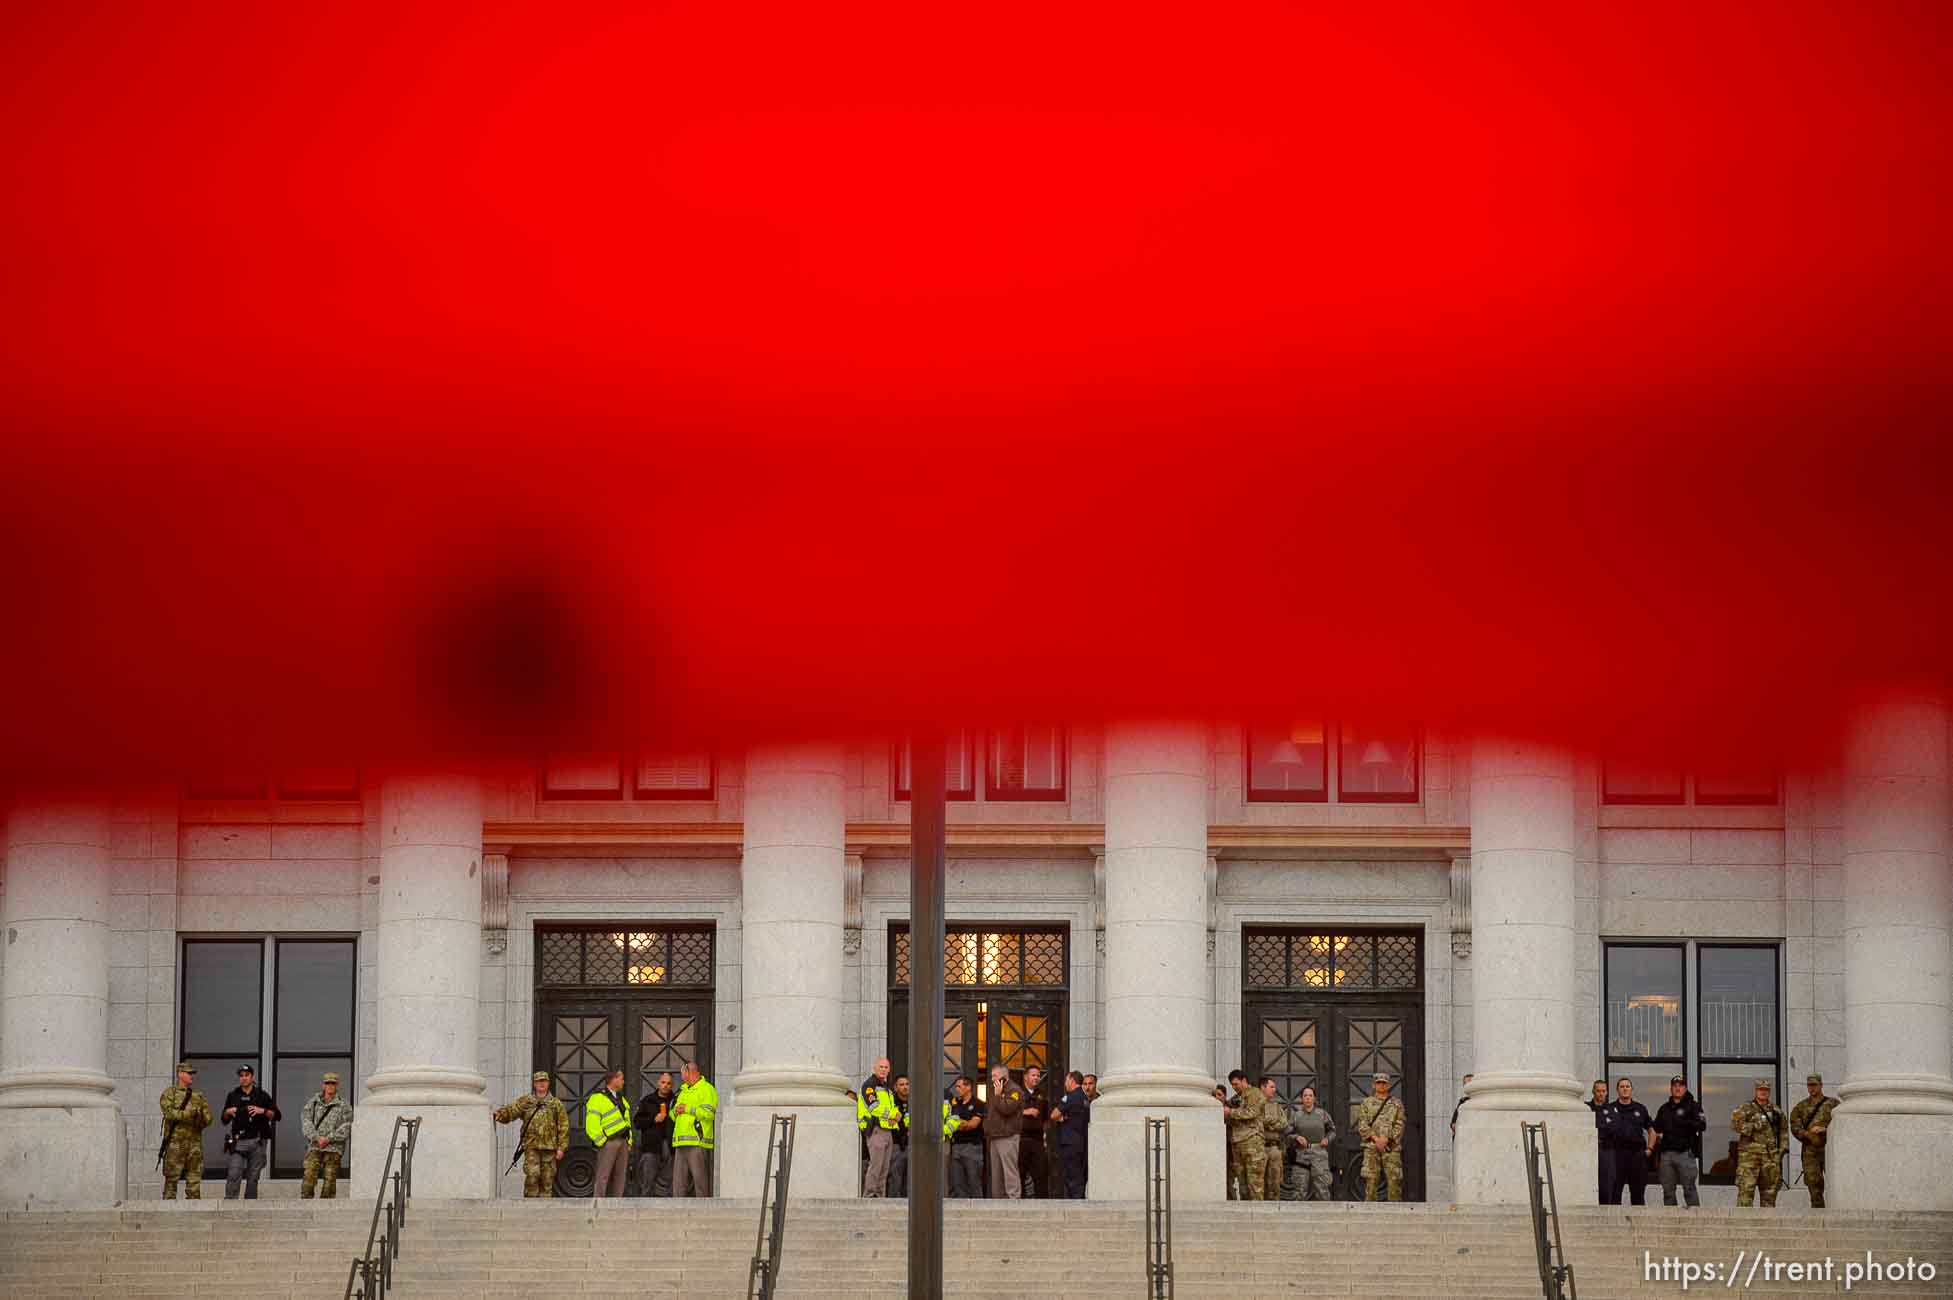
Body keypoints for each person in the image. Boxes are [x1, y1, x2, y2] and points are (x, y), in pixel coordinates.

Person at [494, 1070, 570, 1197]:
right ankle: (529, 1206)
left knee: (547, 1179)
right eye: (539, 1081)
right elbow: (512, 1111)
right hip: (531, 1146)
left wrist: (561, 1147)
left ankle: (545, 1209)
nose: (541, 1084)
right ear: (534, 1084)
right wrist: (499, 1115)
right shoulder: (527, 1101)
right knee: (532, 1176)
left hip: (549, 1147)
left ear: (548, 1083)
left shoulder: (555, 1104)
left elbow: (563, 1126)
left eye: (544, 1081)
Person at [220, 1064, 280, 1199]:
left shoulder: (262, 1095)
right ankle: (230, 1206)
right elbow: (224, 1120)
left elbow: (277, 1115)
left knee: (252, 1178)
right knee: (234, 1173)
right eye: (241, 1076)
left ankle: (249, 1207)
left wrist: (262, 1111)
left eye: (246, 1075)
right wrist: (228, 1111)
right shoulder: (233, 1095)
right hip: (238, 1141)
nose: (244, 1078)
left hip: (257, 1141)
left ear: (252, 1077)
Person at [158, 1062, 212, 1199]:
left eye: (192, 1073)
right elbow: (168, 1113)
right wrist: (188, 1114)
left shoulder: (198, 1096)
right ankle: (168, 1211)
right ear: (180, 1074)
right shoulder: (170, 1093)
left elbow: (209, 1118)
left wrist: (199, 1117)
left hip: (194, 1144)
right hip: (175, 1143)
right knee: (171, 1180)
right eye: (189, 1073)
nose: (191, 1076)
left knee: (194, 1180)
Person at [1651, 1074, 1706, 1208]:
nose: (1677, 1088)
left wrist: (1684, 1122)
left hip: (1685, 1154)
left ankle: (1695, 1220)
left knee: (1689, 1189)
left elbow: (1702, 1125)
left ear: (1685, 1088)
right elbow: (1656, 1127)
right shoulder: (1664, 1108)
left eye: (1680, 1086)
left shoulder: (1694, 1106)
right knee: (1668, 1191)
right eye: (1675, 1086)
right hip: (1666, 1155)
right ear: (1670, 1089)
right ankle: (1671, 1222)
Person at [1732, 1078, 1786, 1208]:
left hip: (1770, 1158)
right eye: (1760, 1089)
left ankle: (1768, 1226)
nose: (1763, 1092)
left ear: (1769, 1092)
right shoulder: (1745, 1108)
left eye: (1766, 1090)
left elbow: (1783, 1131)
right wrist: (1753, 1125)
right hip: (1749, 1158)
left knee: (1769, 1195)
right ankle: (1743, 1227)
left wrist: (1782, 1150)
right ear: (1756, 1091)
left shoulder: (1776, 1111)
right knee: (1746, 1193)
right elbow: (1735, 1125)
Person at [1600, 1077, 1655, 1205]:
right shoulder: (1609, 1109)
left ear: (1631, 1090)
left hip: (1637, 1155)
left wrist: (1650, 1149)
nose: (1625, 1089)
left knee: (1638, 1194)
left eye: (1627, 1086)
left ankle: (1639, 1223)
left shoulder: (1640, 1109)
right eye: (1622, 1087)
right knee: (1614, 1194)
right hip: (1616, 1155)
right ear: (1617, 1090)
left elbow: (1652, 1130)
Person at [1354, 1072, 1406, 1202]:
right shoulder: (1366, 1103)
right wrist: (1376, 1139)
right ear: (1373, 1085)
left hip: (1391, 1147)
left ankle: (1394, 1213)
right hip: (1371, 1146)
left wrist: (1387, 1139)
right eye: (1379, 1083)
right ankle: (1370, 1213)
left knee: (1394, 1180)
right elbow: (1362, 1124)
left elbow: (1400, 1124)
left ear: (1388, 1085)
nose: (1381, 1085)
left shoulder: (1396, 1104)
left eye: (1384, 1083)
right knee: (1371, 1180)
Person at [1789, 1073, 1839, 1208]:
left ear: (1821, 1085)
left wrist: (1825, 1128)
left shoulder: (1833, 1104)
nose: (1812, 1088)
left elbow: (1842, 1124)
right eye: (1809, 1085)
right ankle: (1818, 1211)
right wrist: (1807, 1134)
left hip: (1830, 1148)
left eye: (1815, 1085)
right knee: (1813, 1181)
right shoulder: (1800, 1107)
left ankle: (1838, 1210)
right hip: (1810, 1150)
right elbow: (1794, 1126)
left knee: (1837, 1180)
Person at [299, 1070, 351, 1199]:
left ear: (337, 1085)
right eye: (327, 1083)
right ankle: (306, 1207)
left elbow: (347, 1126)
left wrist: (329, 1138)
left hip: (333, 1148)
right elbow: (306, 1121)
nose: (330, 1086)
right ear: (323, 1085)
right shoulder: (313, 1103)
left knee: (329, 1182)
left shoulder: (344, 1105)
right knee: (308, 1179)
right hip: (315, 1146)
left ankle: (325, 1210)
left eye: (333, 1083)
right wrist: (317, 1138)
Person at [1280, 1085, 1335, 1202]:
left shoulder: (1322, 1114)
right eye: (1305, 1096)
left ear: (1314, 1098)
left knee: (1322, 1189)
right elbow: (1286, 1134)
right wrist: (1296, 1137)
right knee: (1299, 1190)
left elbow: (1332, 1130)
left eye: (1310, 1095)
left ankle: (1324, 1216)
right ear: (1301, 1099)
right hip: (1301, 1155)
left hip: (1319, 1153)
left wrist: (1327, 1139)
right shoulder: (1296, 1116)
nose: (1308, 1098)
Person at [583, 1067, 633, 1197]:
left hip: (623, 1141)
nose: (624, 1082)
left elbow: (627, 1123)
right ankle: (599, 1205)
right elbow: (591, 1123)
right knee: (603, 1175)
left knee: (620, 1176)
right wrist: (602, 1141)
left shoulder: (622, 1099)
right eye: (621, 1079)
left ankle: (616, 1204)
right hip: (608, 1142)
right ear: (613, 1079)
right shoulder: (597, 1098)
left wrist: (629, 1142)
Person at [671, 1059, 718, 1197]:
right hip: (680, 1141)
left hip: (697, 1141)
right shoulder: (683, 1091)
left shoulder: (707, 1089)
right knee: (678, 1182)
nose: (681, 1076)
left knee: (699, 1180)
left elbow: (709, 1114)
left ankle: (703, 1210)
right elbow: (673, 1115)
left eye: (682, 1073)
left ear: (689, 1071)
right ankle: (677, 1210)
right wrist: (675, 1111)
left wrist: (688, 1109)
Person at [1222, 1069, 1267, 1201]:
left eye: (1236, 1084)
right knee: (1242, 1185)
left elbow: (1252, 1112)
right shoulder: (1236, 1099)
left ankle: (1258, 1217)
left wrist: (1231, 1112)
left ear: (1244, 1080)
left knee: (1255, 1186)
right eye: (1232, 1085)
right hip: (1238, 1143)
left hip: (1253, 1143)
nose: (1234, 1087)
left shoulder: (1256, 1093)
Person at [982, 1065, 1026, 1198]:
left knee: (1009, 1169)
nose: (992, 1079)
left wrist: (998, 1095)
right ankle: (998, 1198)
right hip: (994, 1136)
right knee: (996, 1172)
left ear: (1004, 1077)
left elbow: (1007, 1109)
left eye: (994, 1076)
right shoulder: (996, 1090)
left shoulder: (1014, 1090)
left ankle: (1013, 1197)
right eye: (991, 1076)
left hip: (1007, 1136)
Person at [634, 1071, 676, 1196]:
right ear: (658, 1083)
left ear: (672, 1085)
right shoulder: (647, 1101)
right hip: (651, 1147)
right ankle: (644, 1206)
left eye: (669, 1083)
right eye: (663, 1082)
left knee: (668, 1181)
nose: (665, 1085)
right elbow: (637, 1122)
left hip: (670, 1145)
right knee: (647, 1178)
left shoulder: (676, 1101)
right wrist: (653, 1119)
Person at [1051, 1070, 1091, 1198]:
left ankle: (1075, 1204)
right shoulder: (1085, 1098)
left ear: (1072, 1081)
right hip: (1082, 1141)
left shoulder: (1070, 1096)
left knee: (1072, 1176)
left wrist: (1062, 1117)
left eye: (1066, 1080)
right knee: (1079, 1175)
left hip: (1070, 1142)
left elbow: (1054, 1115)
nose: (1065, 1084)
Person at [945, 1074, 986, 1198]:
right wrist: (958, 1123)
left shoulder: (979, 1103)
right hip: (956, 1147)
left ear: (968, 1087)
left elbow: (973, 1124)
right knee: (957, 1183)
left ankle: (978, 1211)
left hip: (972, 1148)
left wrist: (957, 1123)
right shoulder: (955, 1104)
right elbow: (947, 1121)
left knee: (974, 1182)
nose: (956, 1089)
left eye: (959, 1086)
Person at [858, 1081, 900, 1196]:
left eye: (886, 1067)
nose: (883, 1069)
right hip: (876, 1129)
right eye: (881, 1067)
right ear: (875, 1068)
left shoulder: (887, 1088)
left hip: (888, 1129)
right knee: (876, 1166)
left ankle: (880, 1195)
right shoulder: (869, 1085)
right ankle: (869, 1195)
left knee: (884, 1168)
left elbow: (893, 1107)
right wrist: (892, 1114)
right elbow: (874, 1108)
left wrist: (896, 1116)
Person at [1018, 1066, 1050, 1198]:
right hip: (1021, 1138)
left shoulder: (1042, 1094)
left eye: (1038, 1075)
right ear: (1025, 1077)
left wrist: (1045, 1134)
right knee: (1020, 1172)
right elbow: (1009, 1112)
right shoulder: (1017, 1093)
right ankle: (1020, 1202)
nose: (1036, 1078)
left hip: (1037, 1139)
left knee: (1041, 1172)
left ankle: (1042, 1202)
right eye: (1033, 1075)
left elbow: (1046, 1118)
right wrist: (1026, 1112)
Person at [1257, 1077, 1287, 1201]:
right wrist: (1272, 1123)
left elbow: (1284, 1123)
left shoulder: (1277, 1107)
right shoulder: (1255, 1105)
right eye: (1271, 1087)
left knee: (1275, 1182)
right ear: (1262, 1088)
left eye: (1274, 1087)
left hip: (1274, 1148)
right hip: (1259, 1148)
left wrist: (1268, 1123)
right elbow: (1257, 1123)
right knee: (1258, 1182)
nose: (1274, 1090)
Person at [888, 1075, 914, 1198]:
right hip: (896, 1145)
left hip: (914, 1146)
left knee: (911, 1178)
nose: (905, 1087)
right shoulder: (890, 1101)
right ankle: (893, 1202)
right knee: (895, 1176)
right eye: (901, 1085)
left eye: (907, 1084)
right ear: (895, 1087)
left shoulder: (916, 1103)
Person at [1587, 1079, 1611, 1203]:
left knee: (1605, 1183)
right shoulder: (1585, 1109)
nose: (1601, 1094)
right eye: (1598, 1091)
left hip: (1606, 1150)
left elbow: (1615, 1130)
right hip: (1588, 1150)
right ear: (1593, 1092)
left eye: (1603, 1091)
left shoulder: (1612, 1110)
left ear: (1606, 1092)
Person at [1450, 1073, 1473, 1138]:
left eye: (1470, 1083)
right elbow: (1453, 1123)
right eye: (1465, 1084)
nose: (1468, 1086)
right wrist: (1454, 1125)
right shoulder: (1462, 1101)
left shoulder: (1480, 1100)